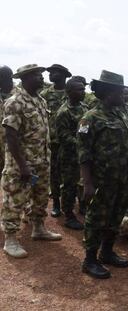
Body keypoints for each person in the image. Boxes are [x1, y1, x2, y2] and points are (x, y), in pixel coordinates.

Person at [78, 70, 128, 279]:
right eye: (120, 91)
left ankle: (107, 251)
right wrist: (87, 183)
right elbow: (84, 154)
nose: (124, 95)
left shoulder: (122, 113)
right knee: (96, 218)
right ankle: (90, 259)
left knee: (116, 215)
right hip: (102, 180)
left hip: (122, 178)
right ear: (109, 92)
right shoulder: (90, 118)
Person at [2, 64, 62, 258]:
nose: (42, 78)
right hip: (22, 164)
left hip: (42, 161)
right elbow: (11, 136)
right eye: (37, 75)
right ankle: (10, 239)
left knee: (41, 196)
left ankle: (38, 227)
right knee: (15, 199)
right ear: (26, 78)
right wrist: (23, 166)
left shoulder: (40, 101)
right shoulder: (15, 102)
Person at [55, 78, 89, 230]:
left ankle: (83, 207)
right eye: (79, 90)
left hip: (83, 154)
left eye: (83, 89)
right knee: (69, 185)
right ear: (69, 92)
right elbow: (63, 136)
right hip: (69, 155)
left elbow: (86, 129)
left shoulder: (84, 108)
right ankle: (68, 215)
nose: (83, 92)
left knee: (83, 182)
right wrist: (81, 143)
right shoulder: (63, 112)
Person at [41, 64, 72, 217]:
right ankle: (56, 204)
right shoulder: (45, 94)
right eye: (50, 72)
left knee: (70, 174)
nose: (50, 74)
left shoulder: (72, 92)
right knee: (54, 173)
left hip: (69, 142)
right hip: (52, 141)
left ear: (64, 75)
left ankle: (69, 206)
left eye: (54, 72)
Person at [0, 65, 14, 175]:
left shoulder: (19, 95)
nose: (10, 81)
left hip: (13, 145)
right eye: (6, 78)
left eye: (11, 77)